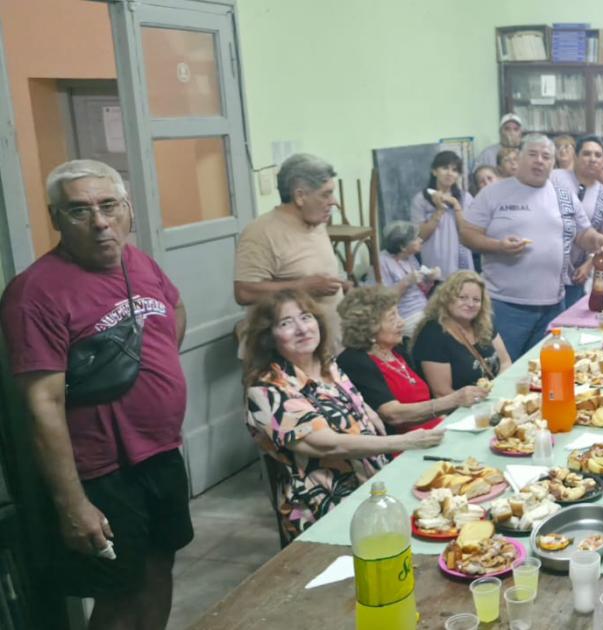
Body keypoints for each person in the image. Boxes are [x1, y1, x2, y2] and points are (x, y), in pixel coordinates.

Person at [0, 159, 189, 629]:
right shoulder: (34, 294)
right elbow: (41, 405)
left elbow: (175, 310)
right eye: (80, 210)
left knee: (159, 567)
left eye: (109, 206)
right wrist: (73, 504)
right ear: (55, 219)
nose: (101, 222)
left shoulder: (138, 260)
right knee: (119, 593)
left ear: (126, 208)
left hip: (160, 454)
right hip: (102, 471)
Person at [244, 290, 445, 538]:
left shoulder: (328, 364)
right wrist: (406, 442)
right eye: (285, 323)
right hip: (326, 509)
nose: (302, 329)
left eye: (306, 317)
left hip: (373, 490)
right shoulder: (268, 389)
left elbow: (359, 411)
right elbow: (329, 446)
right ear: (268, 337)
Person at [460, 136, 603, 356]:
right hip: (506, 306)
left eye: (546, 156)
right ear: (519, 158)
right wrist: (497, 246)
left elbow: (582, 233)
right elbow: (467, 234)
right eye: (533, 154)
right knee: (505, 370)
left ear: (553, 163)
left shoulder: (563, 196)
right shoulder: (493, 193)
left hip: (554, 304)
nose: (539, 161)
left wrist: (597, 240)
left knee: (546, 367)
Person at [336, 287, 486, 433]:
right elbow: (392, 414)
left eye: (399, 314)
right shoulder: (355, 362)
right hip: (404, 444)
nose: (401, 322)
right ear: (368, 329)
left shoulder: (401, 349)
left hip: (438, 429)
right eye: (392, 318)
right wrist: (453, 400)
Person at [234, 153, 350, 340]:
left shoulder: (317, 221)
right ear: (300, 196)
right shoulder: (261, 232)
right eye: (326, 194)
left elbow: (308, 270)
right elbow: (244, 292)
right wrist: (302, 287)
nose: (334, 201)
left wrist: (339, 285)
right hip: (288, 351)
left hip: (328, 345)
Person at [411, 270, 513, 396]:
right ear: (446, 298)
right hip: (462, 410)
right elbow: (442, 393)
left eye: (476, 299)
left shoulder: (484, 323)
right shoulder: (432, 335)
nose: (470, 304)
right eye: (462, 298)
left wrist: (498, 393)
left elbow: (505, 362)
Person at [550, 135, 603, 306]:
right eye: (587, 154)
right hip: (546, 269)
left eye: (597, 155)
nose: (592, 159)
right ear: (576, 156)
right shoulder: (555, 178)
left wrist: (589, 264)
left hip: (576, 274)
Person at [410, 150, 473, 278]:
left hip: (460, 261)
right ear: (434, 171)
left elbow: (467, 232)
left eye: (454, 170)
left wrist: (456, 205)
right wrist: (439, 210)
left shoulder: (465, 198)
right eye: (445, 168)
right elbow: (420, 236)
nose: (450, 173)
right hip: (434, 262)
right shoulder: (421, 199)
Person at [378, 221, 432, 337]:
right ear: (402, 246)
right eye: (416, 238)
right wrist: (406, 282)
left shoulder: (410, 257)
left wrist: (429, 280)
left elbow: (421, 291)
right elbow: (384, 300)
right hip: (405, 315)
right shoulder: (382, 262)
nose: (420, 240)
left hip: (423, 309)